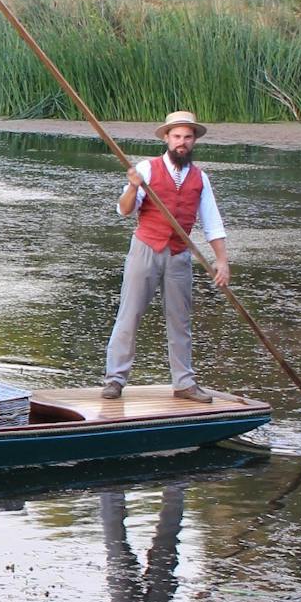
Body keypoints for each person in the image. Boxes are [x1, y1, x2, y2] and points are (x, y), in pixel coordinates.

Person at [102, 111, 230, 404]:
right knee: (129, 315)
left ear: (194, 141)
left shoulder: (201, 178)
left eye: (187, 137)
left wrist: (221, 261)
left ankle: (184, 383)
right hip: (145, 249)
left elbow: (212, 223)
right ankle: (114, 380)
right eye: (176, 137)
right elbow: (124, 210)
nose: (181, 143)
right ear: (166, 138)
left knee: (180, 319)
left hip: (179, 254)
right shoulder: (146, 169)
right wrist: (133, 186)